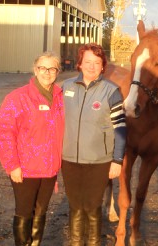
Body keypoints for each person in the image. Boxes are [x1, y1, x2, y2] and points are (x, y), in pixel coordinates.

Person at [0, 51, 64, 246]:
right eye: (42, 68)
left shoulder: (60, 98)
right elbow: (3, 133)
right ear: (35, 70)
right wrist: (12, 165)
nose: (47, 72)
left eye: (52, 68)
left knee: (41, 212)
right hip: (26, 169)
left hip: (49, 169)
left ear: (58, 71)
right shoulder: (18, 98)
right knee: (24, 212)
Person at [61, 43, 126, 246]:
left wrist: (117, 160)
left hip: (99, 161)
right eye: (87, 62)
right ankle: (75, 243)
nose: (92, 66)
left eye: (97, 63)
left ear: (102, 66)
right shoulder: (66, 87)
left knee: (92, 206)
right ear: (79, 64)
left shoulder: (111, 91)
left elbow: (121, 129)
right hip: (69, 159)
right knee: (75, 206)